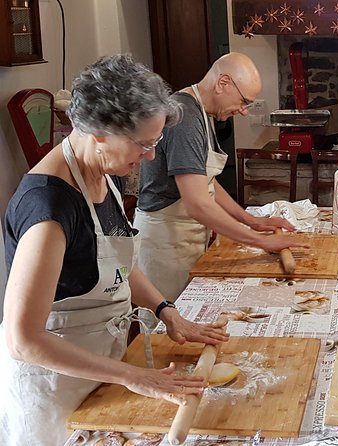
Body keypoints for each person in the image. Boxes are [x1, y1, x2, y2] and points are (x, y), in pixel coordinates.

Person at [0, 54, 229, 446]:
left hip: (99, 373)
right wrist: (133, 376)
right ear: (99, 132)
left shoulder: (103, 173)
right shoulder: (49, 210)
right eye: (144, 144)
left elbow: (117, 262)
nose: (152, 156)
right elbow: (23, 340)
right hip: (54, 391)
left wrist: (166, 311)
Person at [135, 52, 307, 299]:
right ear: (223, 83)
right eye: (244, 101)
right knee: (165, 331)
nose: (245, 111)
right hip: (165, 246)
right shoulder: (184, 118)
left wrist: (252, 221)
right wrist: (261, 241)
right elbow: (197, 203)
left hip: (184, 239)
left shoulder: (202, 113)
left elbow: (206, 181)